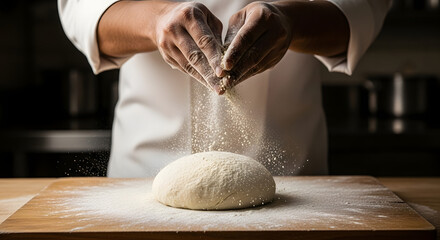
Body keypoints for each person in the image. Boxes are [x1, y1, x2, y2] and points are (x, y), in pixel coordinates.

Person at [58, 0, 391, 177]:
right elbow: (83, 11)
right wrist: (155, 21)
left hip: (291, 185)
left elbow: (359, 12)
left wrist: (291, 21)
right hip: (143, 175)